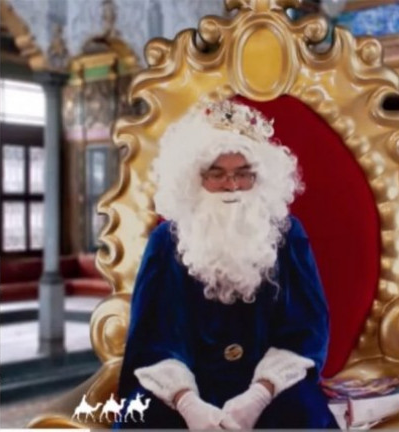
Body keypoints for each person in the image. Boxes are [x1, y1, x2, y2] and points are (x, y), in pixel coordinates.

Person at [116, 100, 338, 429]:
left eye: (242, 174)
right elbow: (151, 338)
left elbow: (307, 329)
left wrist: (259, 395)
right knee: (141, 418)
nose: (231, 185)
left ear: (259, 178)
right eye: (217, 174)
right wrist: (187, 402)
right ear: (195, 178)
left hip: (270, 388)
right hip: (179, 390)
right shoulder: (165, 241)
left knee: (303, 416)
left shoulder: (289, 236)